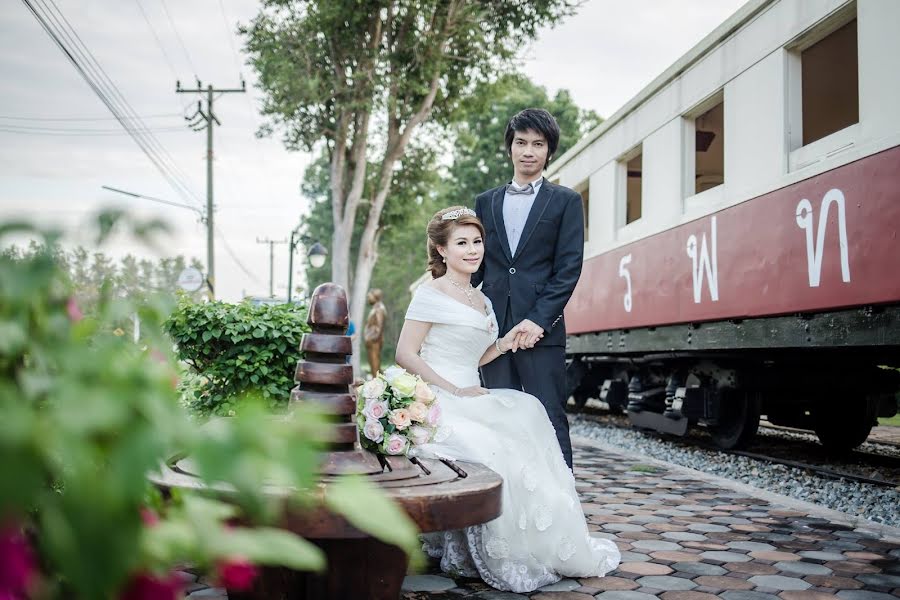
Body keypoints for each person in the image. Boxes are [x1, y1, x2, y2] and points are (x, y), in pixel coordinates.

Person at [395, 206, 619, 593]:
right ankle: (492, 549)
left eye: (477, 241)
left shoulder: (481, 299)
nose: (472, 250)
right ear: (441, 250)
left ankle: (545, 543)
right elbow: (406, 353)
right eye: (461, 243)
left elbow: (477, 355)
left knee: (528, 416)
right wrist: (453, 390)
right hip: (441, 397)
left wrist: (504, 342)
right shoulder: (430, 293)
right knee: (490, 445)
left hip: (473, 392)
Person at [472, 108, 585, 469]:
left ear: (548, 151)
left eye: (538, 144)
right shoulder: (485, 202)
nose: (528, 151)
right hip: (493, 332)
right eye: (521, 142)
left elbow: (568, 268)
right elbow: (476, 264)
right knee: (496, 417)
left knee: (549, 416)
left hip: (540, 331)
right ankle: (502, 501)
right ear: (510, 148)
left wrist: (538, 321)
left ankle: (564, 503)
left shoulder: (566, 201)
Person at [364, 288, 387, 375]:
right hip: (372, 341)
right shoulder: (376, 308)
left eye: (370, 296)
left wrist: (372, 338)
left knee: (375, 365)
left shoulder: (379, 309)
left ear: (376, 296)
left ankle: (376, 385)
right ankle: (375, 383)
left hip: (374, 341)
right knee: (373, 364)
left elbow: (380, 326)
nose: (368, 298)